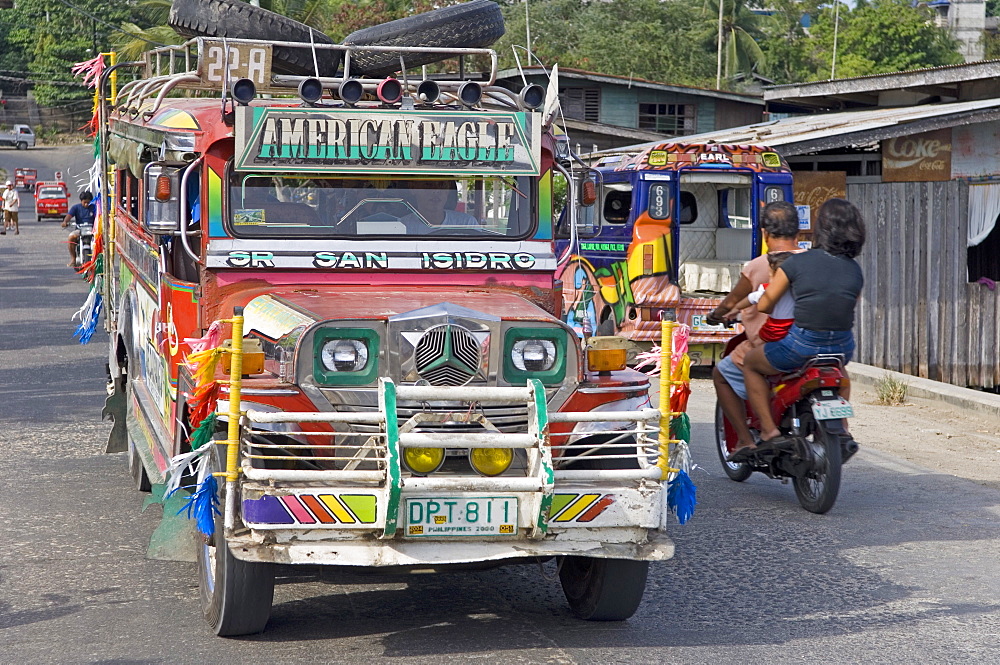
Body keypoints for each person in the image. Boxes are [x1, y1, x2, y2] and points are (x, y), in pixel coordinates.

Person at [738, 198, 866, 453]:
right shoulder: (854, 269)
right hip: (843, 347)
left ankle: (769, 429)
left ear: (821, 229)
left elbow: (765, 305)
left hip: (802, 345)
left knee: (751, 364)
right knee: (840, 373)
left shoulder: (796, 263)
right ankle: (841, 426)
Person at [706, 201, 803, 454]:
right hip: (811, 341)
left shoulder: (762, 265)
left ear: (765, 233)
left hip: (771, 345)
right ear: (798, 233)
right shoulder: (813, 261)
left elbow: (732, 302)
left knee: (721, 375)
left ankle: (746, 440)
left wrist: (717, 315)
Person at [728, 251, 795, 343]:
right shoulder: (801, 289)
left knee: (753, 351)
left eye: (771, 275)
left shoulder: (767, 290)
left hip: (774, 332)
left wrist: (735, 309)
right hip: (796, 333)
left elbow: (751, 298)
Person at [400, 179, 477, 231]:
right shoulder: (402, 225)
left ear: (448, 191)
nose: (436, 191)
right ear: (413, 189)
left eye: (442, 185)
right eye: (428, 185)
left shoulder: (466, 223)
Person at [62, 191, 96, 268]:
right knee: (71, 237)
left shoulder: (94, 207)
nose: (86, 204)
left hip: (93, 230)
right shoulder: (76, 208)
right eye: (85, 202)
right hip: (80, 229)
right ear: (81, 201)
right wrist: (65, 222)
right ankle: (73, 259)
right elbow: (69, 216)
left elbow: (100, 216)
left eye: (88, 202)